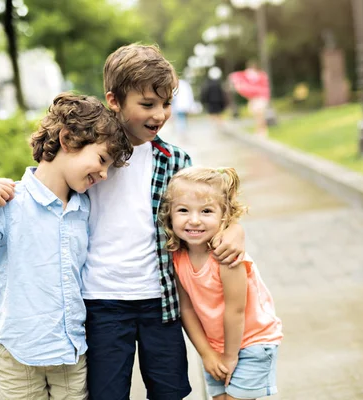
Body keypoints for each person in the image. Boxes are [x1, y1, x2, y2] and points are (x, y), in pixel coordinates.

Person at [0, 93, 133, 400]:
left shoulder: (84, 209)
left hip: (70, 353)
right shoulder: (9, 202)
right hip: (18, 354)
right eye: (102, 160)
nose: (104, 174)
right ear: (68, 139)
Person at [83, 43, 246, 400]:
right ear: (114, 100)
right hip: (102, 300)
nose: (160, 114)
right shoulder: (89, 158)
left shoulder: (175, 160)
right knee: (106, 393)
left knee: (170, 390)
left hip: (163, 301)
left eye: (166, 103)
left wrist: (235, 229)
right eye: (147, 105)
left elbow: (214, 207)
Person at [159, 166, 283, 400]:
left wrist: (230, 355)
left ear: (224, 216)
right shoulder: (177, 257)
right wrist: (206, 353)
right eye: (183, 210)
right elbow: (186, 309)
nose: (194, 220)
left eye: (206, 211)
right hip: (216, 347)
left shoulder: (226, 258)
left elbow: (235, 310)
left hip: (252, 341)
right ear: (170, 215)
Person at [229, 61, 270, 136]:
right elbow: (235, 76)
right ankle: (259, 130)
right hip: (253, 99)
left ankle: (262, 130)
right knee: (257, 115)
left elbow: (263, 87)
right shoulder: (248, 76)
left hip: (260, 97)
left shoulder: (261, 76)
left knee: (260, 114)